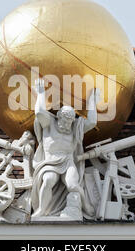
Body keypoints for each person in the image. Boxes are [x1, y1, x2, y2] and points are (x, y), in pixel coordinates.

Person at [30, 78, 100, 220]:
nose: (66, 125)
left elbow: (91, 122)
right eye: (64, 121)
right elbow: (39, 112)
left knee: (72, 184)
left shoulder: (74, 128)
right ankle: (42, 210)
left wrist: (93, 101)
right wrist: (41, 93)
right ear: (58, 117)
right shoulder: (49, 124)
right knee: (48, 179)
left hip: (68, 162)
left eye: (69, 122)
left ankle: (85, 204)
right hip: (50, 162)